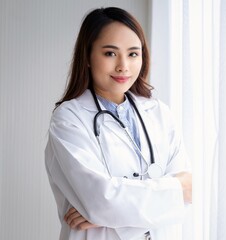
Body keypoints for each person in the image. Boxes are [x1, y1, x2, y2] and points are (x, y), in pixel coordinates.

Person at [45, 7, 192, 240]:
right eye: (110, 54)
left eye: (133, 54)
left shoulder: (159, 114)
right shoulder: (69, 118)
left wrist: (107, 213)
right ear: (88, 57)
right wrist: (168, 196)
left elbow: (188, 192)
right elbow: (99, 200)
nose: (123, 65)